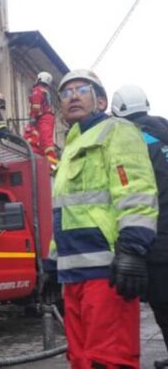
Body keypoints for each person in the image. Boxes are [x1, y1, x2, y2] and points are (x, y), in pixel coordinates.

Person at [45, 70, 158, 368]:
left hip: (107, 269)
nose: (73, 97)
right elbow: (65, 210)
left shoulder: (117, 131)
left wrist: (133, 249)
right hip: (74, 274)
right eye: (65, 94)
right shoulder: (70, 148)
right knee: (81, 358)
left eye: (81, 89)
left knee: (110, 358)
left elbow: (136, 190)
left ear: (101, 100)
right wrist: (52, 262)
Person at [111, 85, 168, 368]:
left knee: (164, 304)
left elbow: (134, 190)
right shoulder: (164, 133)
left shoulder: (132, 140)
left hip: (158, 236)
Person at [28, 72, 59, 164]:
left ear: (39, 78)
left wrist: (33, 117)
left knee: (44, 139)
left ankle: (50, 159)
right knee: (43, 138)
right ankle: (45, 156)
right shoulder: (45, 90)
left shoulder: (38, 90)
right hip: (46, 117)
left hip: (43, 117)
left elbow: (36, 105)